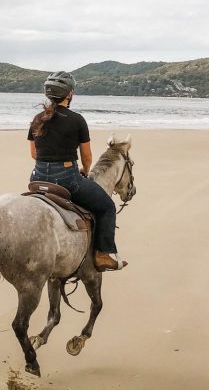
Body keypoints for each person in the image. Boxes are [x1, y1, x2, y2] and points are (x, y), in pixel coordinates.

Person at [27, 71, 127, 271]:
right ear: (69, 94)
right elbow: (87, 157)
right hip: (67, 179)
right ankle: (103, 254)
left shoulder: (38, 119)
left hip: (37, 178)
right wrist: (84, 170)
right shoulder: (77, 120)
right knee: (107, 207)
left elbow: (34, 154)